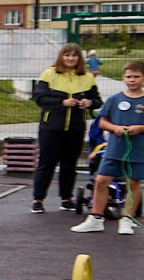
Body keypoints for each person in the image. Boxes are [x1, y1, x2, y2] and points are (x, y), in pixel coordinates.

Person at [72, 59, 144, 236]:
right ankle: (96, 218)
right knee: (100, 181)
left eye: (136, 77)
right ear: (124, 78)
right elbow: (103, 122)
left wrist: (140, 129)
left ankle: (127, 219)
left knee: (132, 184)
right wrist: (115, 128)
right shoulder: (115, 99)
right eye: (129, 76)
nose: (132, 80)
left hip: (138, 150)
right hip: (114, 148)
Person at [31, 43, 100, 214]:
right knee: (46, 164)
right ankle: (38, 199)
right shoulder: (49, 74)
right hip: (51, 128)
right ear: (61, 57)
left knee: (69, 165)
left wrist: (89, 103)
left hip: (75, 129)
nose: (70, 58)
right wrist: (62, 103)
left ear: (79, 58)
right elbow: (39, 98)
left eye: (74, 56)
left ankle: (66, 198)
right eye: (67, 55)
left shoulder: (87, 77)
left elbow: (98, 101)